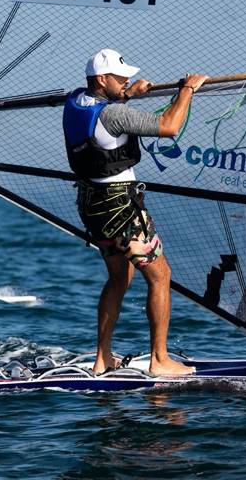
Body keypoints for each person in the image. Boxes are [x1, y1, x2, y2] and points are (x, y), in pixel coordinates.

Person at [63, 48, 208, 376]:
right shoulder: (113, 115)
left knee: (119, 278)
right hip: (120, 207)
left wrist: (127, 94)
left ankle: (103, 358)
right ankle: (160, 360)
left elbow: (102, 121)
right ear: (102, 79)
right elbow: (168, 126)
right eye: (120, 76)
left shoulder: (75, 101)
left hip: (91, 204)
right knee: (160, 277)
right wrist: (187, 90)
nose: (126, 79)